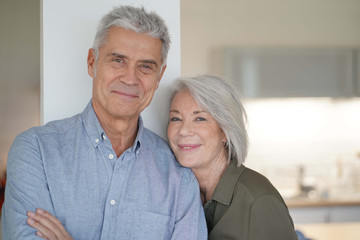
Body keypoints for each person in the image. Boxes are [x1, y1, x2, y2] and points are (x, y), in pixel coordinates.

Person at [2, 6, 207, 240]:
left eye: (146, 66)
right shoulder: (35, 150)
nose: (130, 78)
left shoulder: (179, 176)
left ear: (159, 76)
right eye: (118, 60)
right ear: (92, 63)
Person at [166, 75, 298, 239]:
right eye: (176, 118)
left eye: (200, 118)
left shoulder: (258, 200)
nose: (184, 130)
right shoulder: (181, 192)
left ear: (225, 131)